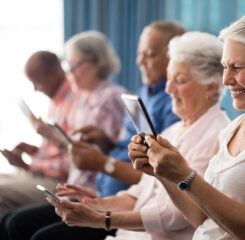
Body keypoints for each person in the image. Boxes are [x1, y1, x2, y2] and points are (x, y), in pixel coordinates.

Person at [3, 21, 185, 240]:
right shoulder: (143, 93)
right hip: (107, 193)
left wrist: (101, 165)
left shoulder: (171, 106)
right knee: (14, 223)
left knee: (31, 231)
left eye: (149, 55)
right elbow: (124, 150)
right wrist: (104, 143)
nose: (139, 62)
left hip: (121, 199)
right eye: (139, 54)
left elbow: (156, 174)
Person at [46, 31, 230, 240]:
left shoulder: (217, 136)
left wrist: (102, 219)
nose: (169, 89)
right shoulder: (173, 130)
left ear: (212, 87)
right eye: (169, 79)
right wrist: (97, 203)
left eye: (179, 81)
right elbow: (140, 193)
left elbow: (177, 214)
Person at [0, 31, 127, 239]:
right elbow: (80, 151)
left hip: (88, 187)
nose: (69, 72)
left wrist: (52, 141)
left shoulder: (109, 97)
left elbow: (95, 157)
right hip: (77, 184)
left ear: (95, 63)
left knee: (19, 224)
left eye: (74, 65)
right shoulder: (85, 97)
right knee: (13, 221)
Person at [130, 16, 245, 240]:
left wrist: (186, 175)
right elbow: (201, 219)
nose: (226, 79)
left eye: (236, 67)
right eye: (224, 67)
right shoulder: (234, 128)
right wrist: (161, 172)